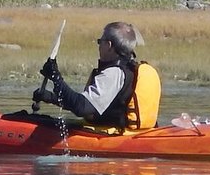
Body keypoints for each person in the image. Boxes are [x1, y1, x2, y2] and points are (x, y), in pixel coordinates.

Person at [33, 21, 162, 131]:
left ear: (109, 45)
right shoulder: (128, 68)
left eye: (100, 42)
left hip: (113, 136)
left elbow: (81, 108)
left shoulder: (113, 74)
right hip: (117, 130)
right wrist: (51, 98)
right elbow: (91, 106)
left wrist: (56, 78)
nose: (99, 46)